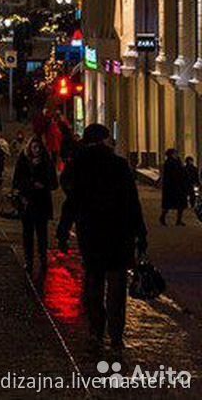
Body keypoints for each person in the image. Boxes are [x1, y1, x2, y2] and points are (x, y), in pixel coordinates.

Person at [56, 124, 148, 352]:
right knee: (117, 286)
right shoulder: (119, 165)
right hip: (119, 234)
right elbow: (132, 202)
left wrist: (63, 230)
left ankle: (97, 330)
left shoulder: (79, 165)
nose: (112, 142)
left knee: (94, 282)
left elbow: (71, 200)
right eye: (109, 138)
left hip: (91, 233)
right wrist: (141, 233)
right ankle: (116, 334)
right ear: (103, 140)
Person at [13, 136, 58, 275]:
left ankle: (43, 259)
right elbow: (17, 180)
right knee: (27, 233)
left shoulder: (46, 162)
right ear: (29, 148)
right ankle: (29, 260)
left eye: (39, 147)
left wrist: (44, 183)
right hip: (27, 201)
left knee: (42, 233)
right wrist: (31, 183)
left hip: (41, 202)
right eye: (34, 147)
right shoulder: (23, 160)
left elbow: (54, 183)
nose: (36, 150)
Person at [159, 148, 189, 226]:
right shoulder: (170, 163)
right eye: (175, 153)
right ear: (172, 154)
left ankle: (178, 220)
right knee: (171, 204)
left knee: (178, 205)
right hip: (174, 187)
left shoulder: (175, 162)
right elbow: (173, 175)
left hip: (176, 187)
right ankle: (164, 217)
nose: (177, 154)